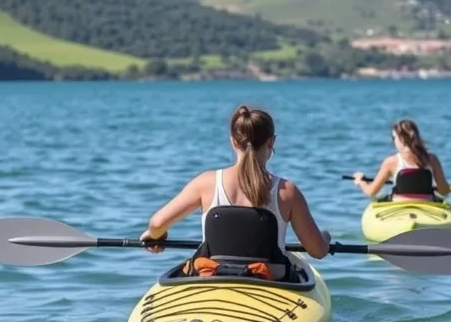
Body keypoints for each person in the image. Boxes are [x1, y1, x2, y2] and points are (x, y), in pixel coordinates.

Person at [138, 105, 331, 281]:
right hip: (268, 281)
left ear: (233, 141)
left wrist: (156, 235)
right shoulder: (287, 191)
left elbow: (156, 223)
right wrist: (325, 238)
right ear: (271, 142)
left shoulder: (206, 182)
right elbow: (318, 251)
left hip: (212, 277)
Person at [352, 119, 451, 202]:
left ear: (401, 139)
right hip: (427, 203)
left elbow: (371, 192)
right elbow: (444, 191)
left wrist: (361, 181)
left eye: (394, 137)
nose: (393, 141)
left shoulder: (391, 162)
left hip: (400, 204)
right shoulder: (432, 159)